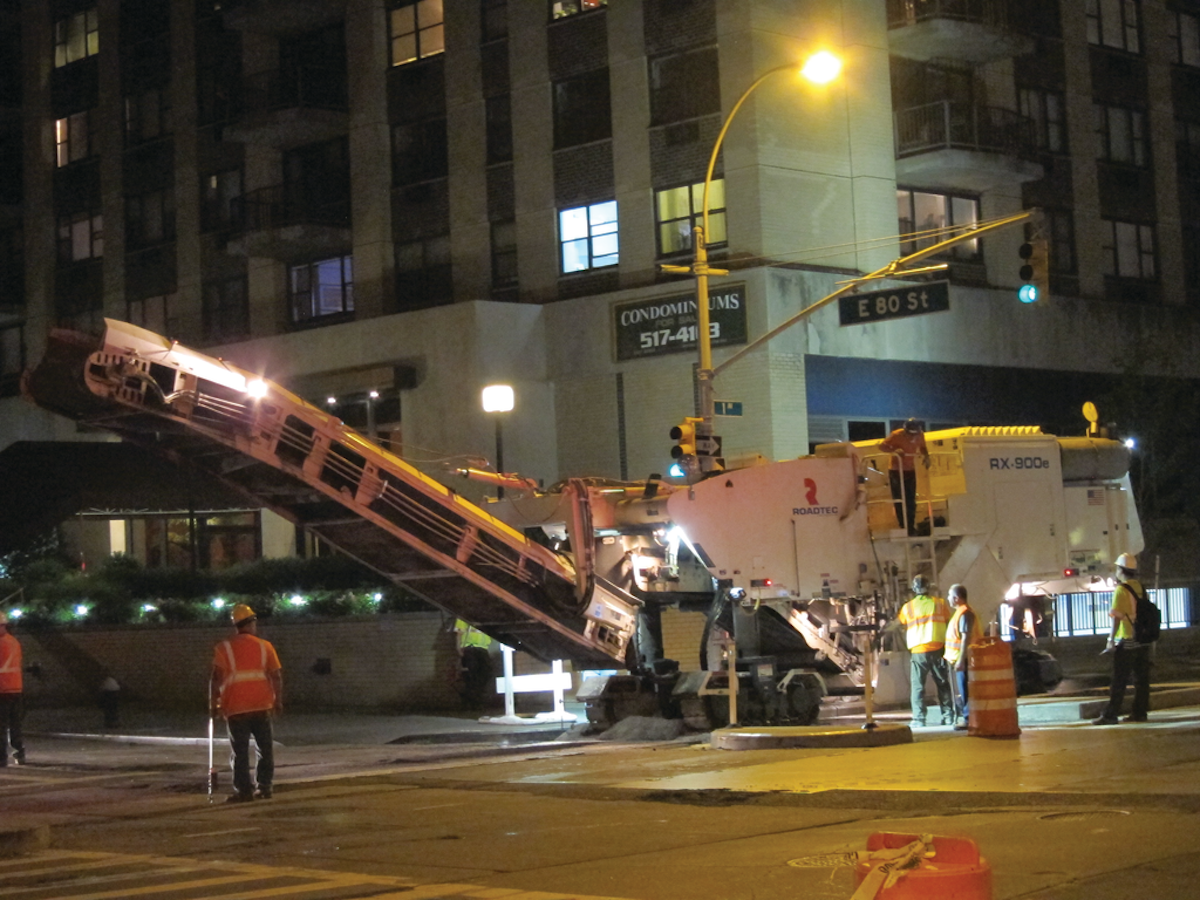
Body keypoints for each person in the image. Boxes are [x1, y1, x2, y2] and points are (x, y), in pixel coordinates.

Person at [210, 604, 283, 801]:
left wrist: (213, 703)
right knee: (265, 749)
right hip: (261, 704)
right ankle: (265, 787)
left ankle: (243, 791)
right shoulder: (265, 646)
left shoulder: (223, 648)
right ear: (251, 623)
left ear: (236, 625)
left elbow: (215, 678)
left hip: (235, 707)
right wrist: (278, 701)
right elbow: (276, 676)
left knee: (240, 752)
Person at [1093, 553, 1151, 725]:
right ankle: (1140, 712)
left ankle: (1111, 714)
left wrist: (1111, 640)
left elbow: (1116, 618)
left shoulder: (1121, 590)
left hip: (1127, 639)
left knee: (1119, 679)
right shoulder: (1141, 587)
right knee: (1141, 678)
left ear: (1121, 570)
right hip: (1143, 638)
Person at [897, 574, 954, 727]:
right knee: (942, 683)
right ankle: (948, 716)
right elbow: (949, 623)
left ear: (914, 589)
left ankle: (919, 719)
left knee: (918, 686)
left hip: (918, 651)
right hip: (937, 649)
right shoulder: (940, 604)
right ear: (929, 587)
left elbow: (899, 623)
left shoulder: (907, 607)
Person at [879, 418, 930, 535]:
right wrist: (895, 450)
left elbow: (923, 447)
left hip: (910, 470)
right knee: (900, 499)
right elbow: (882, 447)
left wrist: (926, 456)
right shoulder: (897, 435)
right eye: (910, 434)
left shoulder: (920, 435)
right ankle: (904, 526)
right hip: (896, 471)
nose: (912, 436)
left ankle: (911, 526)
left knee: (911, 500)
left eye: (915, 434)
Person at [944, 584, 983, 731]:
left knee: (967, 690)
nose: (948, 598)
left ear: (956, 598)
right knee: (965, 689)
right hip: (962, 658)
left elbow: (966, 638)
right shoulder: (960, 613)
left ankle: (968, 719)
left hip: (966, 659)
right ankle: (969, 717)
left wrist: (961, 660)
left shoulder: (965, 613)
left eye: (949, 596)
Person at [0, 611, 26, 767]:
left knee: (0, 727)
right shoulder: (14, 642)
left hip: (2, 691)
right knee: (15, 725)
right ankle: (20, 754)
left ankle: (1, 758)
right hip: (16, 689)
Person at [454, 618, 495, 710]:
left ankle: (474, 698)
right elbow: (459, 634)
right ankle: (473, 701)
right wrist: (459, 648)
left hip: (482, 648)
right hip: (470, 648)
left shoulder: (484, 616)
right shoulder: (463, 616)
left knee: (486, 672)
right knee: (472, 675)